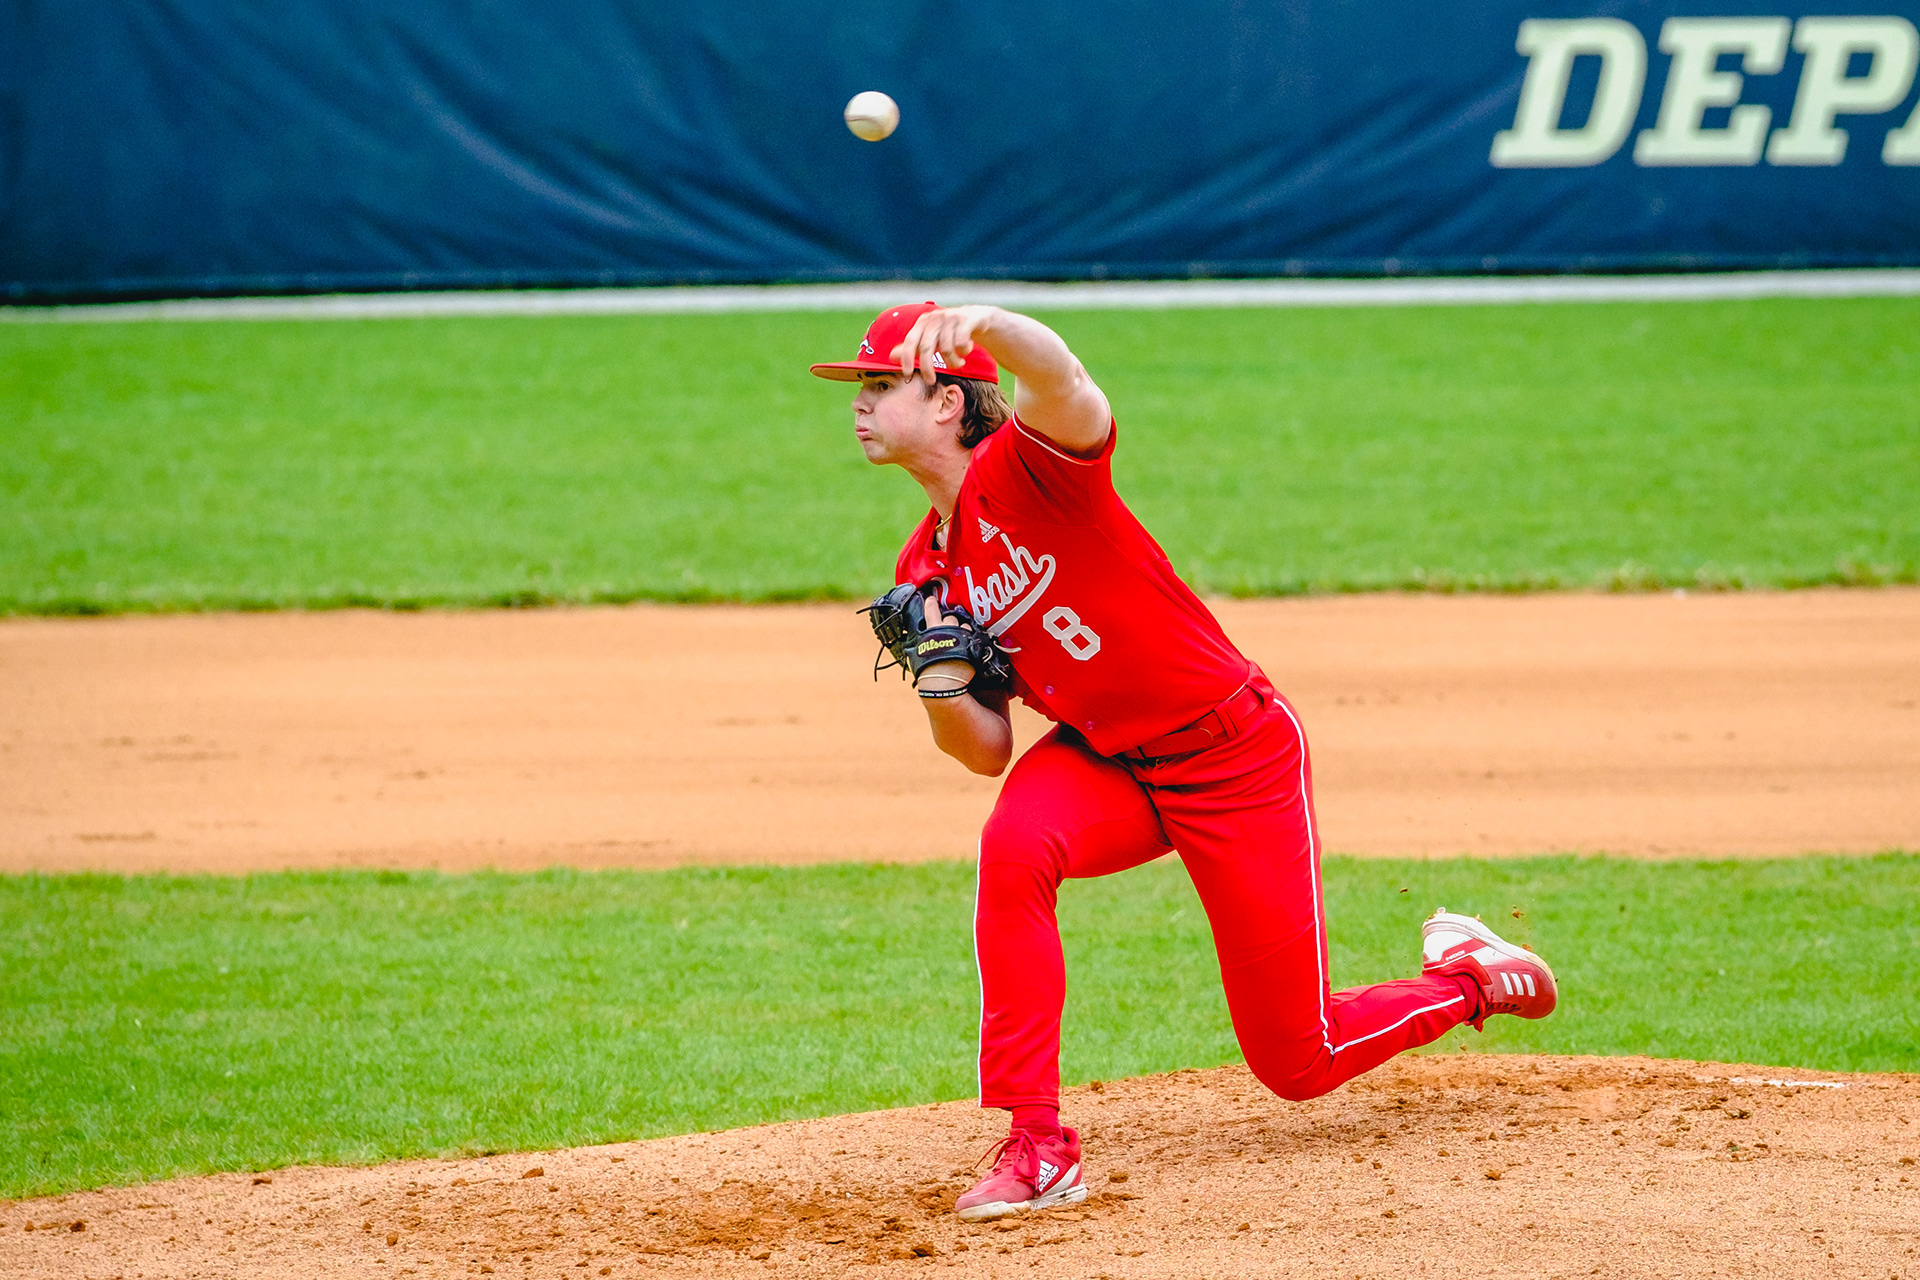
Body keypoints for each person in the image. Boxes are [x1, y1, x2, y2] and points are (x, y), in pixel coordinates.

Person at [810, 302, 1558, 1222]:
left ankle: (1477, 978)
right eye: (861, 387)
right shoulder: (925, 566)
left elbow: (1068, 384)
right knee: (1014, 848)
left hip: (1233, 755)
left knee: (1298, 1059)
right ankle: (1038, 1143)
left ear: (951, 403)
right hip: (1114, 763)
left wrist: (989, 320)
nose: (860, 402)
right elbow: (987, 752)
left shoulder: (1034, 471)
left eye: (882, 384)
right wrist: (938, 683)